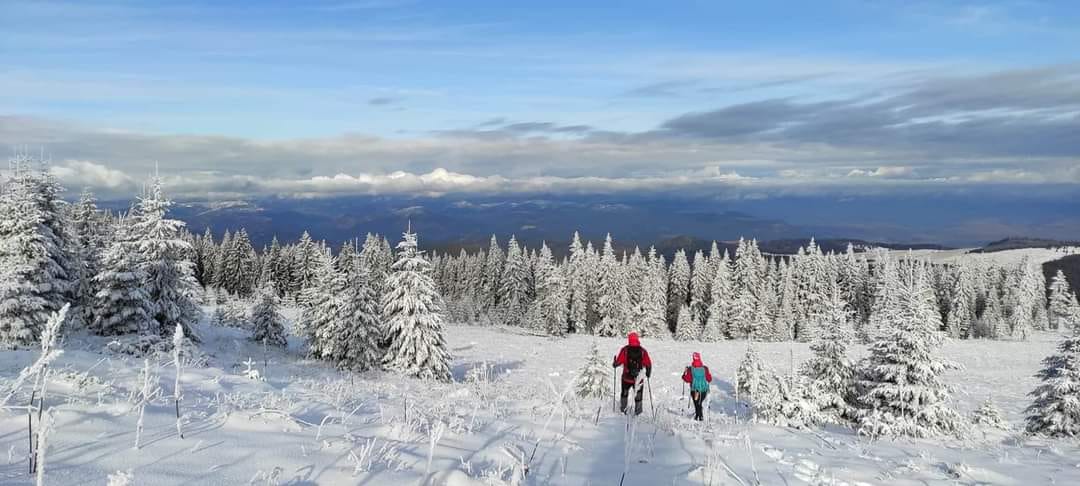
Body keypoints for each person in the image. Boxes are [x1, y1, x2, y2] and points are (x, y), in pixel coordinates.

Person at [612, 331, 652, 415]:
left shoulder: (625, 350)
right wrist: (648, 373)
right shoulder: (643, 351)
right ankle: (638, 412)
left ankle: (623, 410)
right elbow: (648, 364)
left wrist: (615, 364)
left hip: (626, 378)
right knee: (638, 397)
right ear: (637, 339)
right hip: (638, 379)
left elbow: (618, 362)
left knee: (624, 394)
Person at [681, 352, 712, 421]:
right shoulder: (705, 368)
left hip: (695, 390)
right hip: (704, 390)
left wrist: (684, 374)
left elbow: (687, 379)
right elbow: (709, 379)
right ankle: (698, 416)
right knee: (699, 403)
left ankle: (699, 417)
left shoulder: (690, 369)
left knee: (697, 403)